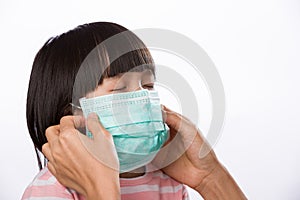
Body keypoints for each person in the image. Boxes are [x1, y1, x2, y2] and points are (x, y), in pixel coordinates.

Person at [22, 22, 247, 200]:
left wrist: (209, 177)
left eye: (147, 86)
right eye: (120, 89)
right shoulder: (51, 190)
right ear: (72, 115)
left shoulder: (167, 183)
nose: (141, 98)